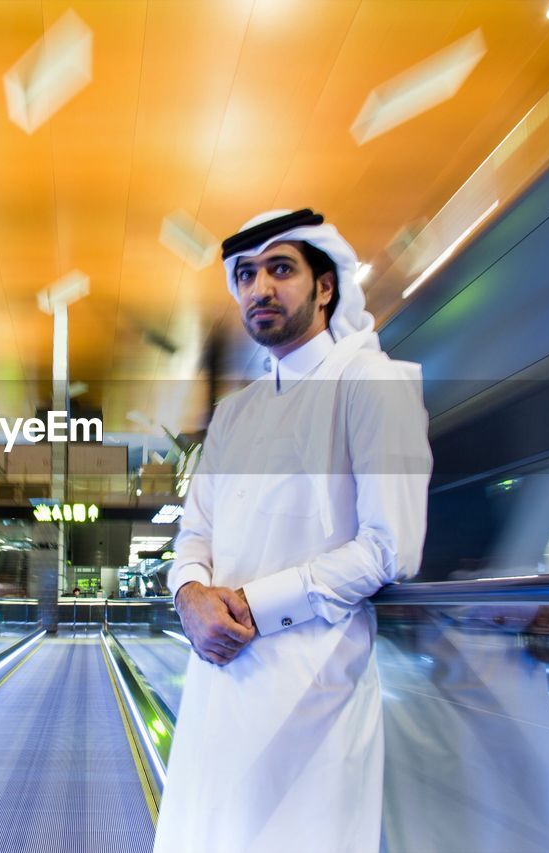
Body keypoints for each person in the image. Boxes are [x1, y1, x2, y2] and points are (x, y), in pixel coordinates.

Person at [155, 209, 432, 852]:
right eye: (246, 274)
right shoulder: (234, 414)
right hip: (217, 681)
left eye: (281, 269)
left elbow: (392, 547)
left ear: (325, 287)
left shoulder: (372, 384)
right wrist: (190, 595)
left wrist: (252, 606)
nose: (260, 288)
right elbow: (194, 534)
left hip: (313, 693)